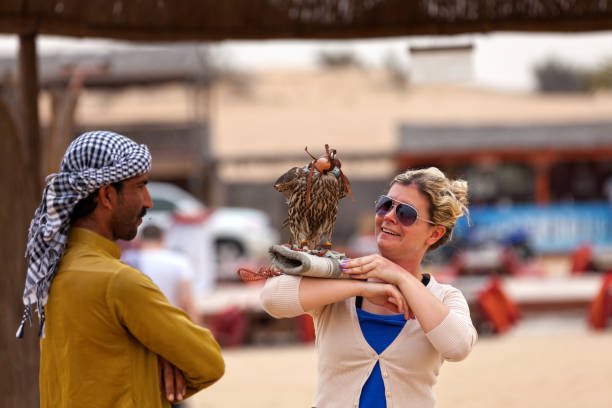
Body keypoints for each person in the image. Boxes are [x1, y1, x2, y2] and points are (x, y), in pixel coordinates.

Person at [17, 131, 224, 408]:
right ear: (106, 195)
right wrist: (159, 362)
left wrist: (147, 360)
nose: (148, 201)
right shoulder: (118, 282)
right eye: (140, 187)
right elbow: (209, 361)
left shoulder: (52, 275)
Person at [261, 167, 477, 408]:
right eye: (386, 205)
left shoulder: (444, 297)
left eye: (406, 213)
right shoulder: (341, 278)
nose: (389, 216)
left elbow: (458, 347)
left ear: (434, 234)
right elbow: (272, 298)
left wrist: (401, 278)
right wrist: (362, 288)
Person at [124, 224, 197, 321]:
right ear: (163, 238)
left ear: (140, 239)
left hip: (137, 323)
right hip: (170, 321)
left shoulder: (128, 259)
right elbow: (186, 301)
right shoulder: (179, 261)